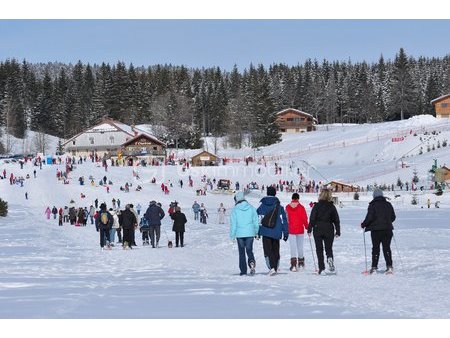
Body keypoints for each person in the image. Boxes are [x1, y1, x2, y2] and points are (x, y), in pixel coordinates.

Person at [361, 188, 396, 274]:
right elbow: (393, 217)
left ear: (374, 196)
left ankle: (374, 267)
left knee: (376, 248)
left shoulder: (372, 205)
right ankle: (389, 266)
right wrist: (386, 222)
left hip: (376, 231)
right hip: (387, 230)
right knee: (386, 248)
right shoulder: (388, 204)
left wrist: (363, 224)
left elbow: (369, 218)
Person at [307, 189, 340, 275]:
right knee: (328, 248)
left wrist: (309, 228)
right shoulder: (332, 207)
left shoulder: (316, 206)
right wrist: (338, 231)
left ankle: (321, 268)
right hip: (329, 228)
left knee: (319, 249)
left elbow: (312, 218)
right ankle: (329, 258)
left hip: (317, 228)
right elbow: (336, 220)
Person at [257, 186, 288, 276]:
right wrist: (285, 232)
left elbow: (258, 220)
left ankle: (272, 268)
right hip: (276, 231)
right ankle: (275, 266)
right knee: (275, 249)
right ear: (275, 193)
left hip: (265, 231)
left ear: (267, 193)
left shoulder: (262, 206)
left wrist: (258, 232)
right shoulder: (279, 207)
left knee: (268, 250)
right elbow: (284, 220)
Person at [230, 192, 259, 276]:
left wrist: (232, 235)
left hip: (239, 234)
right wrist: (256, 232)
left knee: (241, 252)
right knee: (249, 250)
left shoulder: (235, 210)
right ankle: (251, 262)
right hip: (250, 233)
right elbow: (256, 222)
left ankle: (243, 271)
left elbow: (233, 224)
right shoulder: (251, 208)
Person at [285, 193, 309, 271]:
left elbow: (286, 219)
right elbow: (304, 219)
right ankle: (301, 263)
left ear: (292, 198)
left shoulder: (287, 207)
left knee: (293, 247)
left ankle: (293, 264)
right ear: (298, 198)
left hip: (291, 230)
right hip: (300, 230)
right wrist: (307, 227)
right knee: (300, 246)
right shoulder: (301, 207)